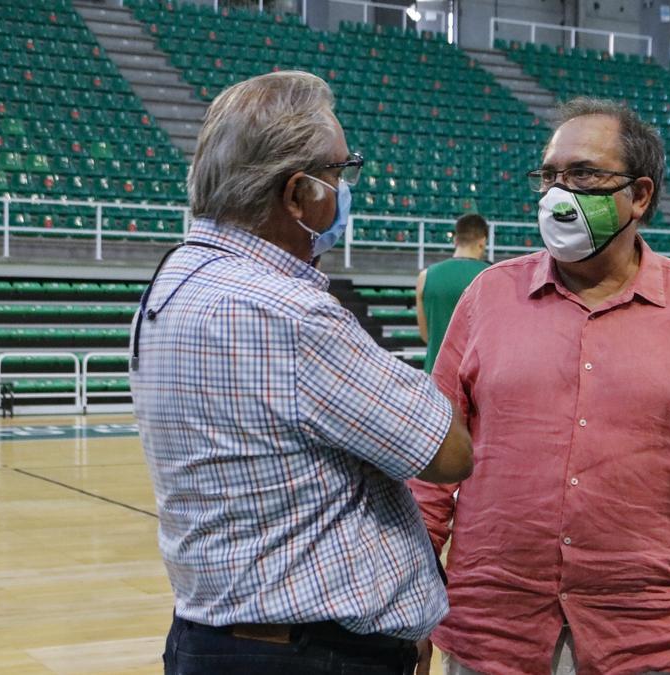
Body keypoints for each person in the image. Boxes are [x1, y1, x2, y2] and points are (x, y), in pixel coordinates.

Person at [128, 71, 473, 675]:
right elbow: (446, 453)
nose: (345, 189)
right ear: (296, 194)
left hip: (212, 637)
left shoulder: (173, 279)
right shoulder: (290, 312)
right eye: (339, 174)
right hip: (305, 653)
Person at [410, 98, 670, 675]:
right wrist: (410, 613)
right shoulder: (488, 297)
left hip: (651, 645)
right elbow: (429, 468)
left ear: (640, 196)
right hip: (494, 641)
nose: (558, 192)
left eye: (583, 175)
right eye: (549, 176)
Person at [415, 214, 490, 374]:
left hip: (436, 378)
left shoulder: (425, 277)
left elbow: (426, 335)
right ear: (482, 241)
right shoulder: (492, 276)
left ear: (455, 239)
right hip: (475, 379)